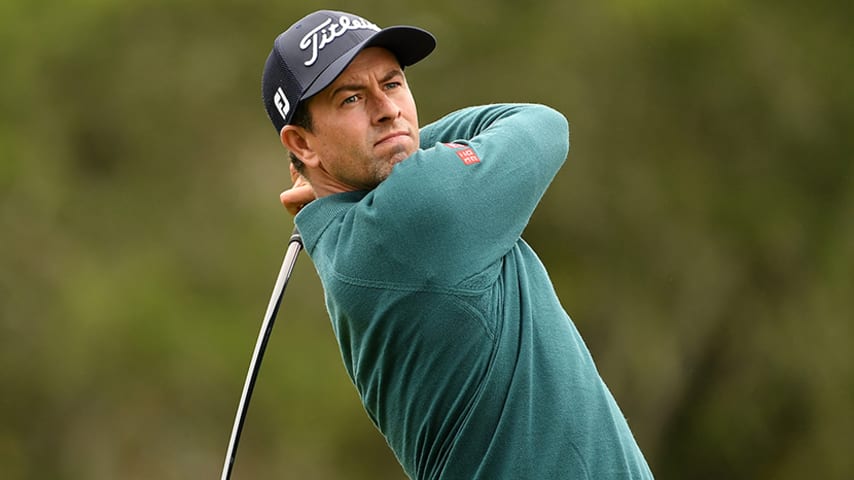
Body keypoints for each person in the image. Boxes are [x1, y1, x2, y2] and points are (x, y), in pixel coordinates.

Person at [261, 9, 654, 479]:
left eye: (392, 84)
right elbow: (541, 125)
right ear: (301, 143)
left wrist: (363, 156)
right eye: (350, 99)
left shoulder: (346, 240)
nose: (387, 110)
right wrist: (400, 148)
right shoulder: (416, 216)